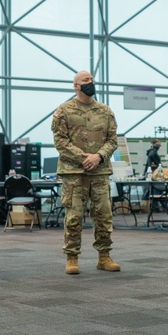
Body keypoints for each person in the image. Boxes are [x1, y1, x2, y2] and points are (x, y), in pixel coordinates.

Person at [52, 70, 121, 276]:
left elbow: (112, 140)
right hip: (74, 172)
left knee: (104, 216)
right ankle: (72, 257)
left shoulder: (105, 111)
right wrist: (85, 158)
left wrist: (98, 156)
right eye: (85, 80)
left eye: (91, 79)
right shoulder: (64, 111)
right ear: (76, 86)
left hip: (99, 172)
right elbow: (60, 142)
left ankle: (104, 256)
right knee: (73, 216)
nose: (90, 82)